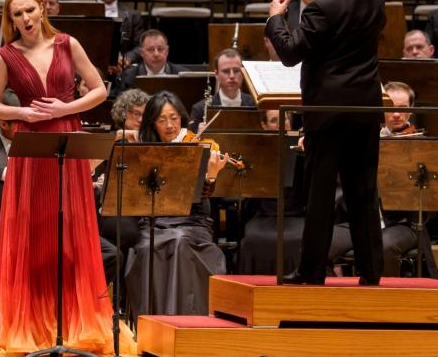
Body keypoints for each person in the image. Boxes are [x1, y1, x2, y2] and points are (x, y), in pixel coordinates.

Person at [0, 0, 135, 355]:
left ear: (42, 10)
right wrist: (22, 113)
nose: (24, 19)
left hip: (67, 142)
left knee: (70, 236)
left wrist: (64, 110)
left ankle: (70, 321)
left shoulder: (67, 44)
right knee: (34, 235)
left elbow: (100, 90)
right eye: (16, 14)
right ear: (10, 20)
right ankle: (32, 323)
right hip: (30, 149)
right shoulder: (6, 55)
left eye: (28, 11)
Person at [266, 0, 386, 286]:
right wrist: (324, 3)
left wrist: (276, 18)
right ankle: (371, 272)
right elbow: (346, 30)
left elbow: (290, 53)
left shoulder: (323, 6)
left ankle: (311, 271)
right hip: (364, 110)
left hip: (328, 112)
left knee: (318, 194)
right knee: (363, 191)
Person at [125, 90, 227, 319]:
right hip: (154, 221)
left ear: (182, 118)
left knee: (181, 242)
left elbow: (203, 198)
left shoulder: (196, 147)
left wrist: (211, 176)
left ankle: (187, 321)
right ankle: (153, 322)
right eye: (162, 120)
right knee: (147, 247)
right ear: (153, 123)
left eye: (174, 118)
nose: (169, 125)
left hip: (192, 221)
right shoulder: (144, 152)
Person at [329, 81, 438, 278]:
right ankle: (338, 300)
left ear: (411, 111)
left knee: (384, 245)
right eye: (389, 108)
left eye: (402, 109)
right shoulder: (366, 140)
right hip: (362, 219)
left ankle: (387, 304)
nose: (396, 115)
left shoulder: (421, 146)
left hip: (403, 225)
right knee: (321, 243)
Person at [237, 109, 306, 275]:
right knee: (251, 240)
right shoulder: (256, 149)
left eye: (285, 119)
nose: (281, 124)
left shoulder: (302, 146)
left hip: (296, 215)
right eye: (275, 120)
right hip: (265, 215)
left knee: (302, 240)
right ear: (264, 125)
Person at [188, 48, 256, 132]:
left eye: (236, 70)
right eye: (226, 71)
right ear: (216, 74)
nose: (232, 76)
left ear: (243, 72)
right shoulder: (200, 109)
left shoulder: (255, 105)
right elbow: (190, 142)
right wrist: (198, 136)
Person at [115, 29, 187, 96]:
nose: (156, 54)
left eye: (160, 49)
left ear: (167, 51)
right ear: (141, 53)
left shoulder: (183, 76)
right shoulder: (127, 77)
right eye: (151, 50)